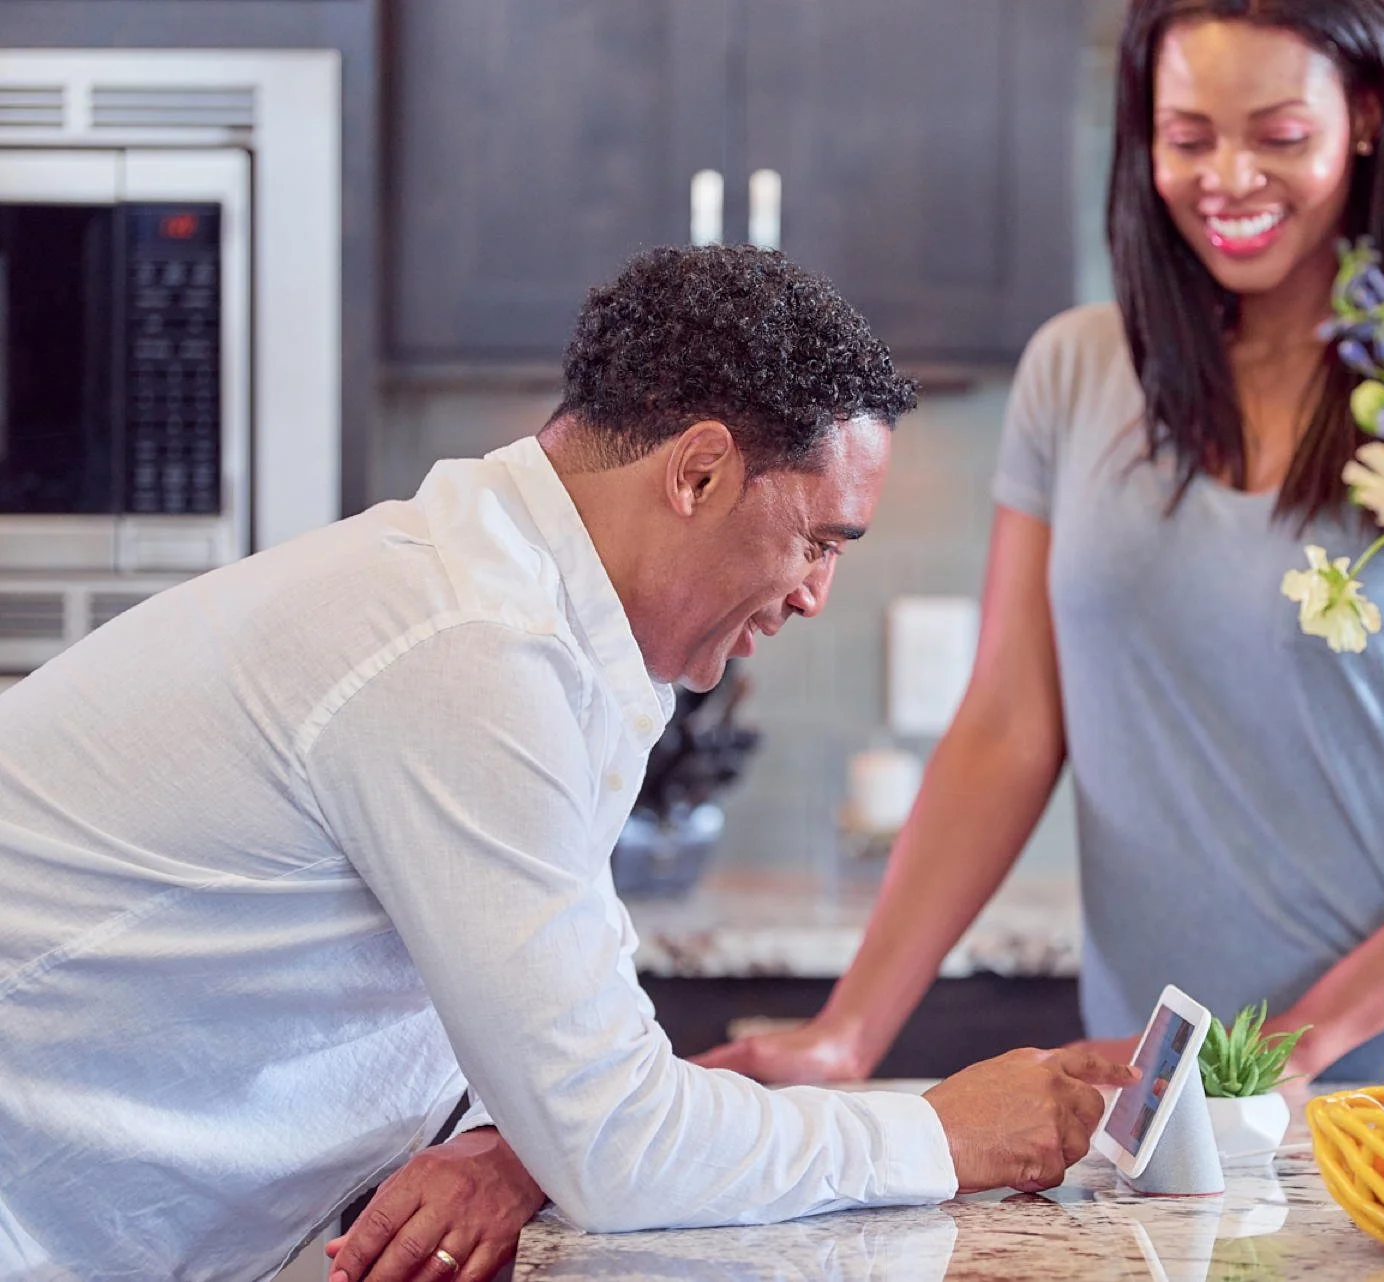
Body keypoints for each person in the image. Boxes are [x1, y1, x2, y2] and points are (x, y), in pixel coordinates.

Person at [0, 245, 1132, 1282]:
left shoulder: (536, 623)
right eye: (819, 539)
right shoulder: (466, 649)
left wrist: (518, 1148)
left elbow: (563, 1066)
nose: (813, 594)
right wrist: (944, 1132)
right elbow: (622, 1145)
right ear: (697, 475)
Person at [700, 0, 1384, 1097]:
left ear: (1367, 114)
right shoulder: (1075, 373)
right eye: (1189, 138)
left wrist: (1302, 1037)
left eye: (1278, 135)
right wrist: (850, 1033)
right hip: (1182, 1099)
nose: (1228, 176)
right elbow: (1006, 727)